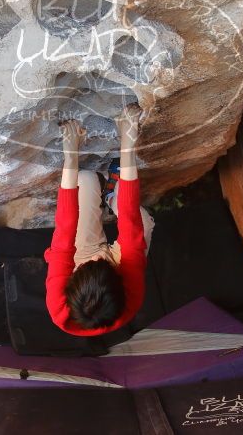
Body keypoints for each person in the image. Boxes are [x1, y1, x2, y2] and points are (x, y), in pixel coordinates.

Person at [44, 104, 156, 336]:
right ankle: (112, 196)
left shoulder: (58, 303)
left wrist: (70, 155)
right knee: (144, 222)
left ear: (71, 281)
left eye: (91, 262)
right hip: (113, 267)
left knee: (83, 178)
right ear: (120, 279)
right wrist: (128, 142)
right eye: (101, 260)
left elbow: (65, 225)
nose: (99, 255)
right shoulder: (131, 293)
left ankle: (102, 192)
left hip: (79, 259)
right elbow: (130, 219)